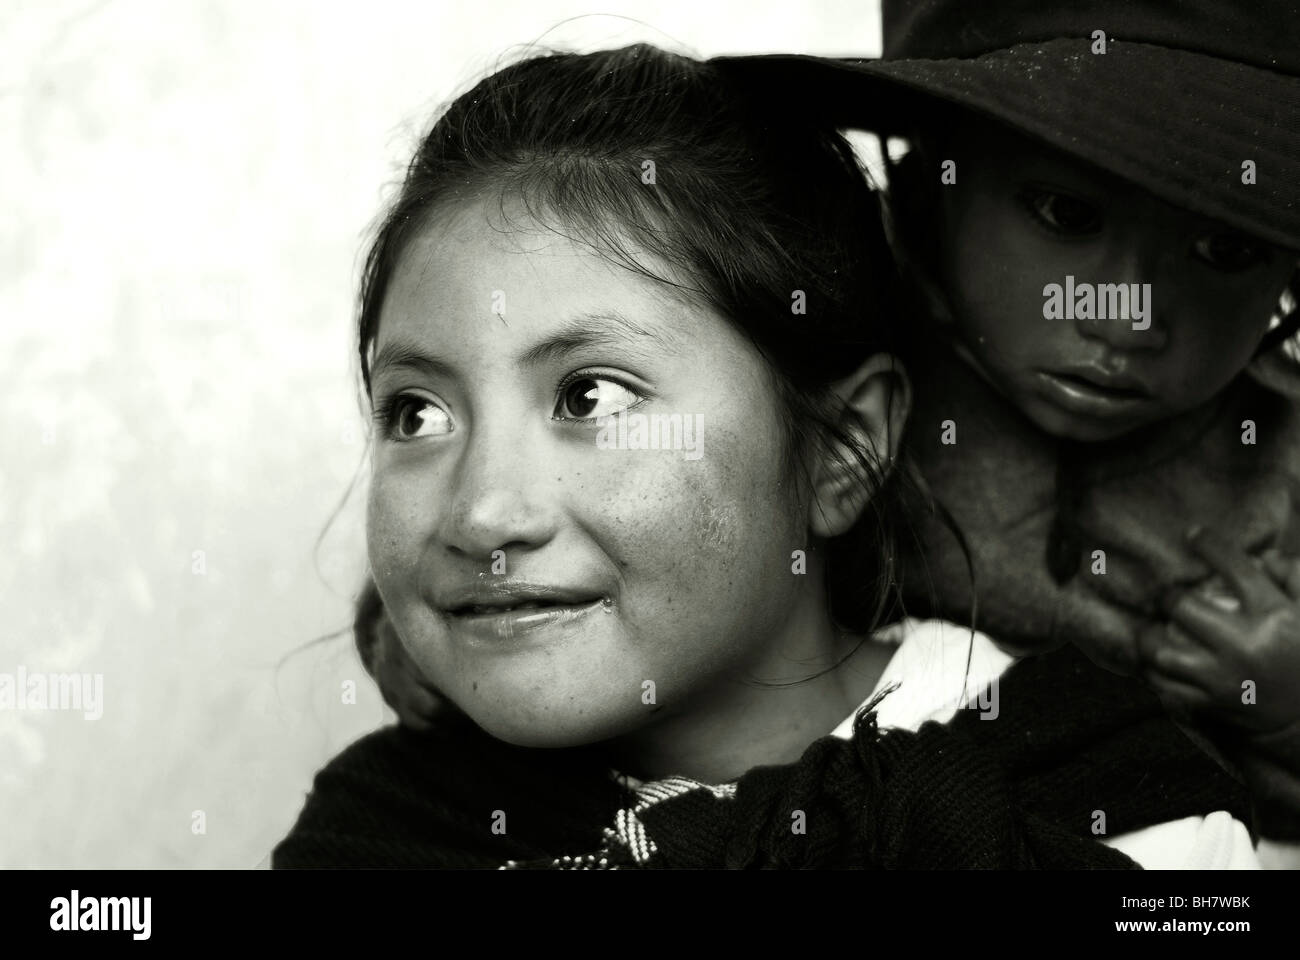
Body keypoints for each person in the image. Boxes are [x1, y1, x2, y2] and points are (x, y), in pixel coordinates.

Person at [273, 43, 1259, 870]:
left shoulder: (1107, 813)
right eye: (414, 414)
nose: (483, 513)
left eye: (590, 397)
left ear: (844, 448)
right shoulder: (387, 838)